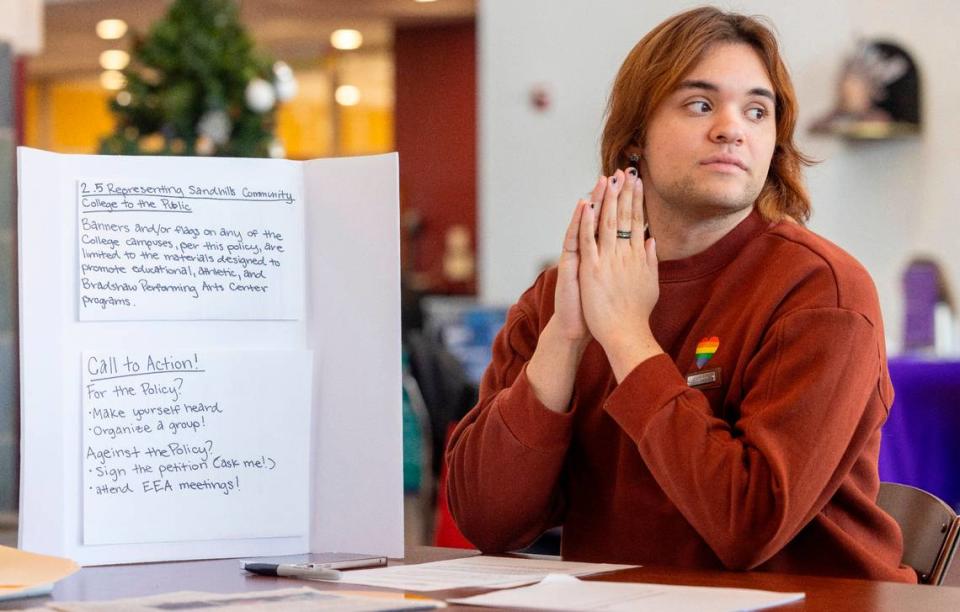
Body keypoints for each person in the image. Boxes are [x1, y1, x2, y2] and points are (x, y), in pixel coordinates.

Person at [445, 7, 915, 582]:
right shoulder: (563, 293)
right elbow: (486, 521)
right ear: (636, 135)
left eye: (756, 110)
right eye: (700, 104)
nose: (731, 127)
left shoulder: (824, 292)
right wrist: (565, 339)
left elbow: (748, 525)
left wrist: (626, 337)